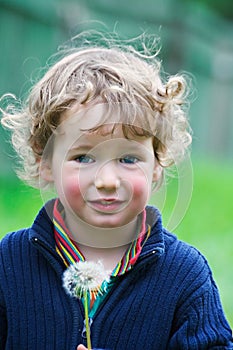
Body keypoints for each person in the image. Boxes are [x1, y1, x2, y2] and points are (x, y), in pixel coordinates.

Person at [0, 31, 232, 350]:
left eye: (128, 158)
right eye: (83, 157)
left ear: (156, 166)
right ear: (45, 163)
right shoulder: (9, 263)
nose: (107, 180)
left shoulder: (185, 274)